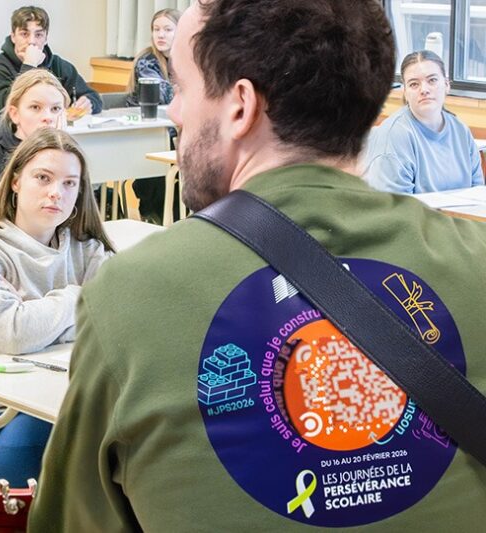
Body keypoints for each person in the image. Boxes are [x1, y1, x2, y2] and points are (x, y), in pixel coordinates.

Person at [30, 0, 486, 531]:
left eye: (181, 89)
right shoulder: (477, 264)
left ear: (240, 107)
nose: (175, 112)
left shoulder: (128, 294)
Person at [0, 128, 114, 486]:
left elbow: (117, 318)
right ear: (15, 181)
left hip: (72, 395)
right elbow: (13, 334)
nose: (57, 192)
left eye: (71, 183)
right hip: (4, 422)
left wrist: (37, 317)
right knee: (109, 438)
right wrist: (79, 297)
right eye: (43, 177)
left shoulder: (88, 249)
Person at [0, 69, 69, 237]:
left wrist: (58, 155)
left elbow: (77, 220)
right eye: (35, 107)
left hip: (44, 250)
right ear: (14, 114)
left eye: (56, 109)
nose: (47, 117)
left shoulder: (67, 160)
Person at [363, 50, 484, 193]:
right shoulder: (396, 135)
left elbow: (478, 193)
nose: (424, 90)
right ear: (406, 93)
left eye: (432, 80)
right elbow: (393, 209)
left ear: (446, 85)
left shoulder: (461, 131)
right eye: (414, 84)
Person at [0, 5, 102, 120]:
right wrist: (29, 65)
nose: (32, 41)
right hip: (3, 138)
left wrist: (89, 102)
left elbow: (93, 96)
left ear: (46, 38)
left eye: (38, 35)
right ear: (13, 36)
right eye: (24, 34)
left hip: (49, 135)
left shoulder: (58, 65)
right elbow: (12, 107)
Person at [126, 8, 181, 224]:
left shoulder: (188, 58)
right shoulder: (147, 61)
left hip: (172, 131)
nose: (161, 35)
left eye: (168, 29)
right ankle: (153, 212)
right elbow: (163, 95)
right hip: (143, 134)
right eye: (156, 29)